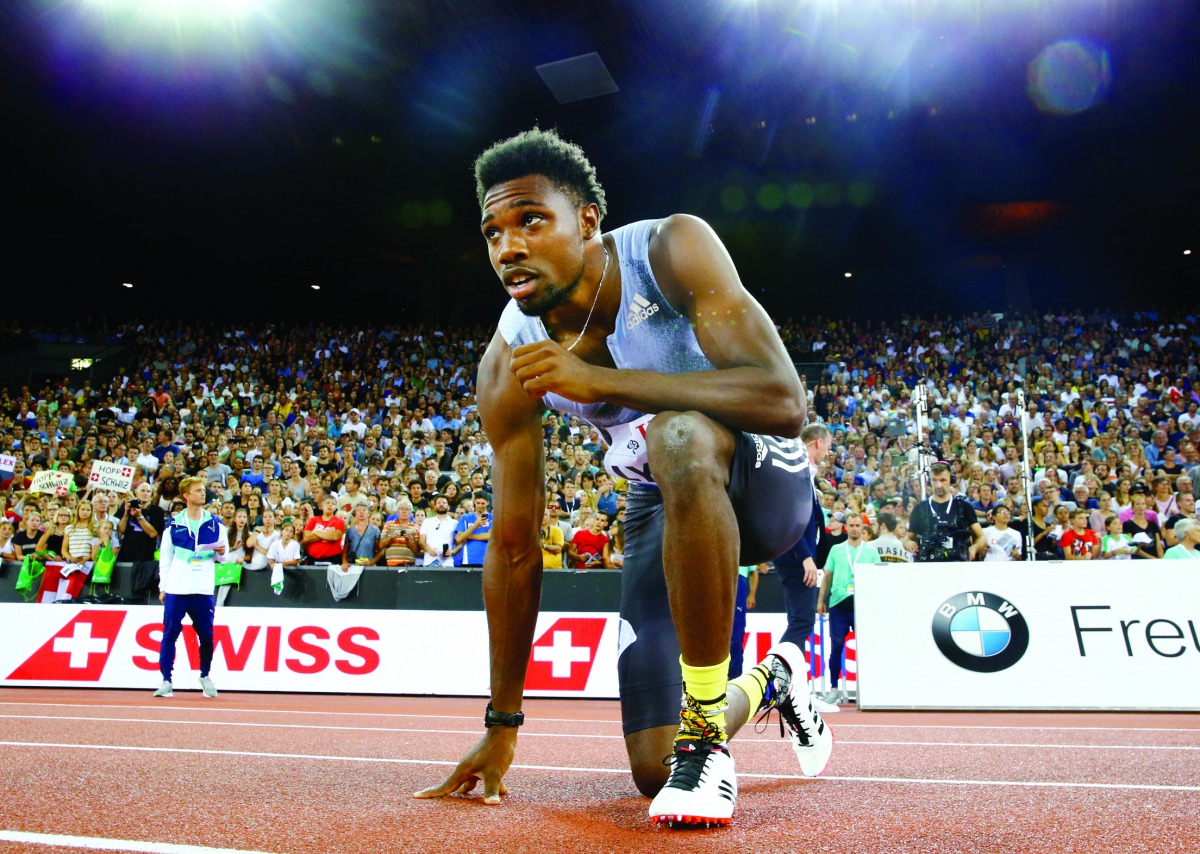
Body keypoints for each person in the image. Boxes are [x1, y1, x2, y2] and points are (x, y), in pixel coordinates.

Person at [415, 129, 829, 828]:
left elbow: (785, 402)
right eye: (492, 232)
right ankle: (772, 679)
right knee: (651, 771)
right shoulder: (508, 357)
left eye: (529, 221)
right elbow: (515, 547)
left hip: (763, 478)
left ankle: (705, 737)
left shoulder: (670, 249)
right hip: (662, 495)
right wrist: (502, 723)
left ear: (587, 220)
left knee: (674, 432)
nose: (507, 248)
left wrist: (600, 381)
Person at [155, 476, 226, 698]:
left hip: (203, 588)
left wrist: (221, 553)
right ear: (186, 495)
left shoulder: (216, 523)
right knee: (170, 634)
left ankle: (205, 675)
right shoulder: (173, 525)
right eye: (197, 490)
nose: (202, 493)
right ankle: (166, 680)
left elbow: (224, 558)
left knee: (206, 635)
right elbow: (165, 559)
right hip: (177, 588)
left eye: (203, 490)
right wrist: (163, 587)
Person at [816, 514, 880, 704]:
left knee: (866, 648)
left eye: (857, 526)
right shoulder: (836, 549)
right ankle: (834, 688)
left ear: (863, 528)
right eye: (851, 525)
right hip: (839, 604)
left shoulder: (870, 551)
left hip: (862, 604)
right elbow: (827, 576)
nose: (854, 529)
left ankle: (868, 688)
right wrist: (820, 600)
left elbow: (878, 578)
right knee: (836, 646)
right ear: (846, 528)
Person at [908, 462, 986, 562]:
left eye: (943, 480)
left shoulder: (963, 506)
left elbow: (982, 537)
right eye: (934, 480)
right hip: (928, 565)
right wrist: (908, 544)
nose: (939, 485)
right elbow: (907, 538)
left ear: (951, 480)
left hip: (957, 563)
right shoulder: (920, 508)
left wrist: (974, 548)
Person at [303, 497, 346, 564]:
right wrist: (328, 534)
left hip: (333, 559)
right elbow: (306, 538)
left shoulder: (339, 521)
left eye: (333, 504)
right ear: (322, 506)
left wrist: (316, 532)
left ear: (335, 508)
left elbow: (335, 537)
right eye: (328, 503)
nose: (330, 505)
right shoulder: (313, 520)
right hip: (313, 559)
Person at [418, 495, 459, 567]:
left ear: (448, 507)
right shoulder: (427, 522)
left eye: (444, 503)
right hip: (429, 561)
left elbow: (460, 543)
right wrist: (429, 550)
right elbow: (421, 542)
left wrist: (452, 552)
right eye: (439, 503)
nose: (441, 504)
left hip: (447, 562)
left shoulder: (455, 523)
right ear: (434, 507)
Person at [454, 495, 493, 567]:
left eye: (482, 503)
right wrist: (475, 525)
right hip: (469, 558)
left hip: (487, 559)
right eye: (478, 503)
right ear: (474, 502)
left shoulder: (492, 517)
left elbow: (489, 536)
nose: (480, 506)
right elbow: (459, 539)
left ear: (487, 502)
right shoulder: (466, 517)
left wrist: (467, 536)